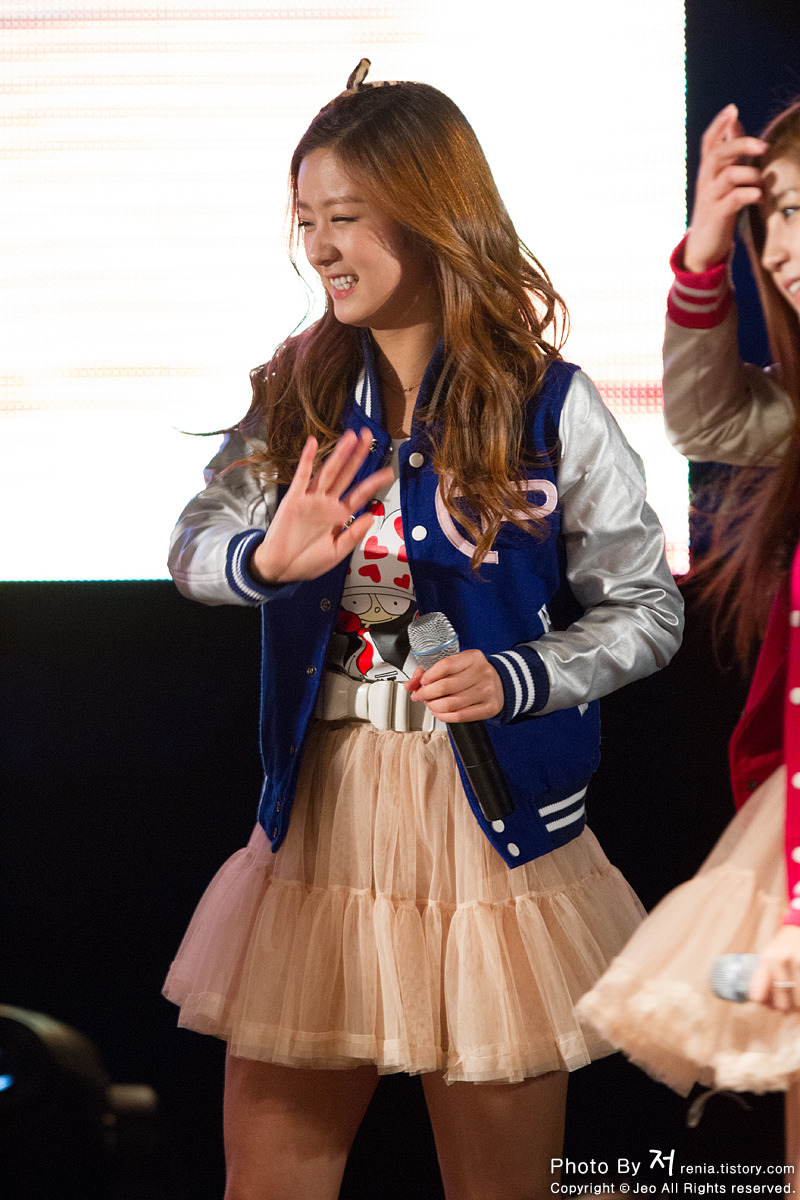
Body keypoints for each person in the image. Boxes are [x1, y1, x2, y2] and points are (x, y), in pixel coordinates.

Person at [163, 59, 683, 1200]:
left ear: (430, 215)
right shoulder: (297, 392)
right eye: (306, 220)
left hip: (488, 829)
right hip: (322, 825)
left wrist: (519, 675)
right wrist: (265, 561)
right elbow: (195, 544)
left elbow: (647, 608)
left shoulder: (547, 405)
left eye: (345, 217)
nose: (320, 247)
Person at [577, 101, 800, 1169]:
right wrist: (705, 256)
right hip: (783, 828)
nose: (783, 248)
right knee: (729, 990)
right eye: (777, 216)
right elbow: (708, 420)